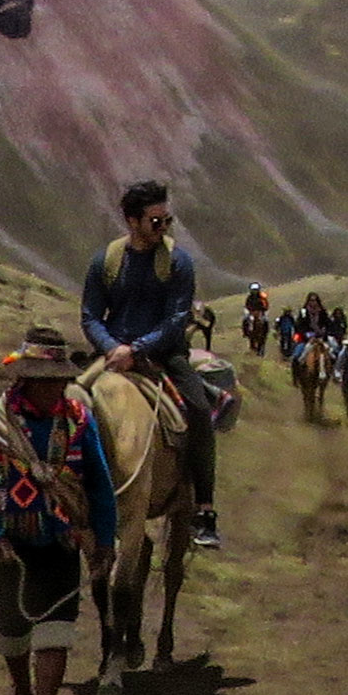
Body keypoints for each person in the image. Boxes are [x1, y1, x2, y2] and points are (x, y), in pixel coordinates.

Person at [0, 326, 118, 695]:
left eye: (59, 382)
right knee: (12, 630)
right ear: (25, 380)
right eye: (46, 382)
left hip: (62, 543)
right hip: (10, 548)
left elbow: (99, 484)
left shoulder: (79, 422)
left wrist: (104, 540)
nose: (54, 390)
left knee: (56, 631)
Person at [81, 178, 221, 549]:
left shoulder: (178, 263)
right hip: (113, 353)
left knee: (198, 409)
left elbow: (176, 318)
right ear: (132, 221)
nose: (163, 228)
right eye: (155, 221)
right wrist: (112, 347)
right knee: (70, 399)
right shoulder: (106, 261)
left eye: (166, 220)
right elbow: (90, 315)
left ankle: (204, 509)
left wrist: (137, 349)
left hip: (164, 354)